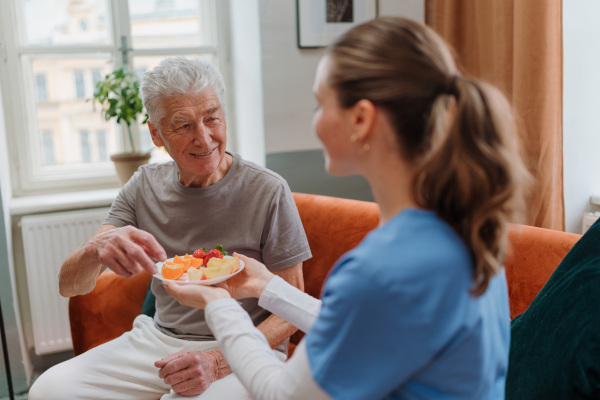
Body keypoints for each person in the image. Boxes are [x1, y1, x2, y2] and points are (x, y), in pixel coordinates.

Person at [162, 17, 531, 399]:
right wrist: (267, 287)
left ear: (361, 120)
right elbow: (365, 326)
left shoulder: (381, 269)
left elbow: (282, 395)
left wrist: (218, 303)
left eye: (320, 104)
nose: (316, 122)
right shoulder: (460, 230)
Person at [28, 57, 312, 399]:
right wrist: (95, 250)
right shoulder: (143, 185)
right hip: (156, 338)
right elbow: (69, 286)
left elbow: (292, 310)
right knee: (49, 390)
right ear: (156, 134)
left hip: (243, 347)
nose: (204, 139)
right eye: (183, 125)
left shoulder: (268, 190)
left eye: (212, 118)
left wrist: (215, 362)